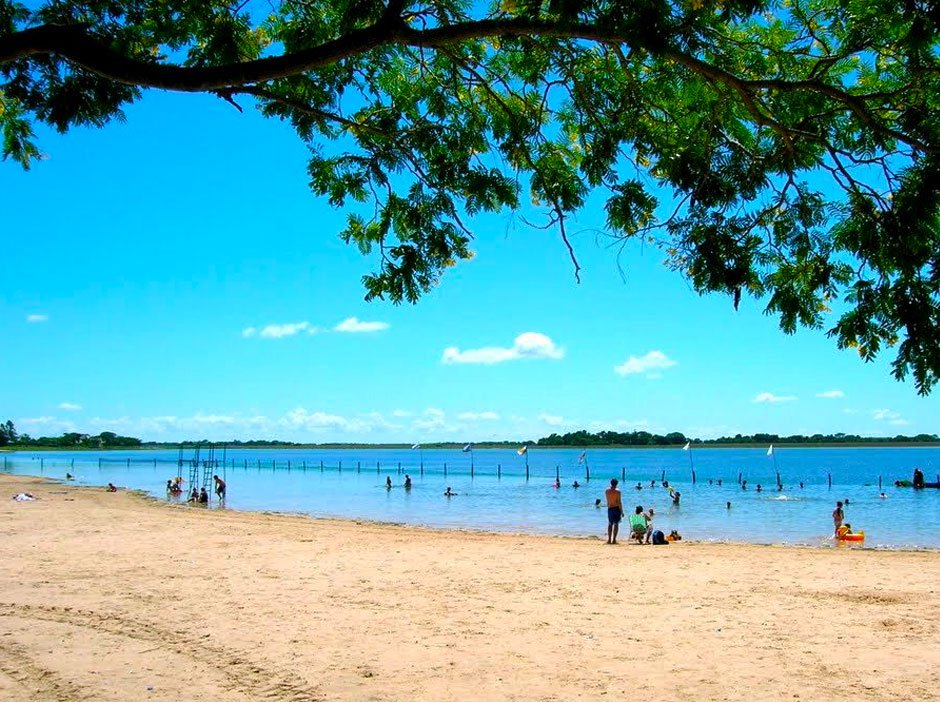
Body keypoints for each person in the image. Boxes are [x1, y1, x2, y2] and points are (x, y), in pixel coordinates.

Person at [605, 479, 623, 544]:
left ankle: (609, 539)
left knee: (610, 524)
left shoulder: (607, 490)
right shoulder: (618, 491)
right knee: (616, 524)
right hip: (616, 508)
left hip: (610, 508)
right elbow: (619, 502)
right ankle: (614, 540)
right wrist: (622, 511)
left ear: (611, 483)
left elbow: (607, 499)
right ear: (617, 484)